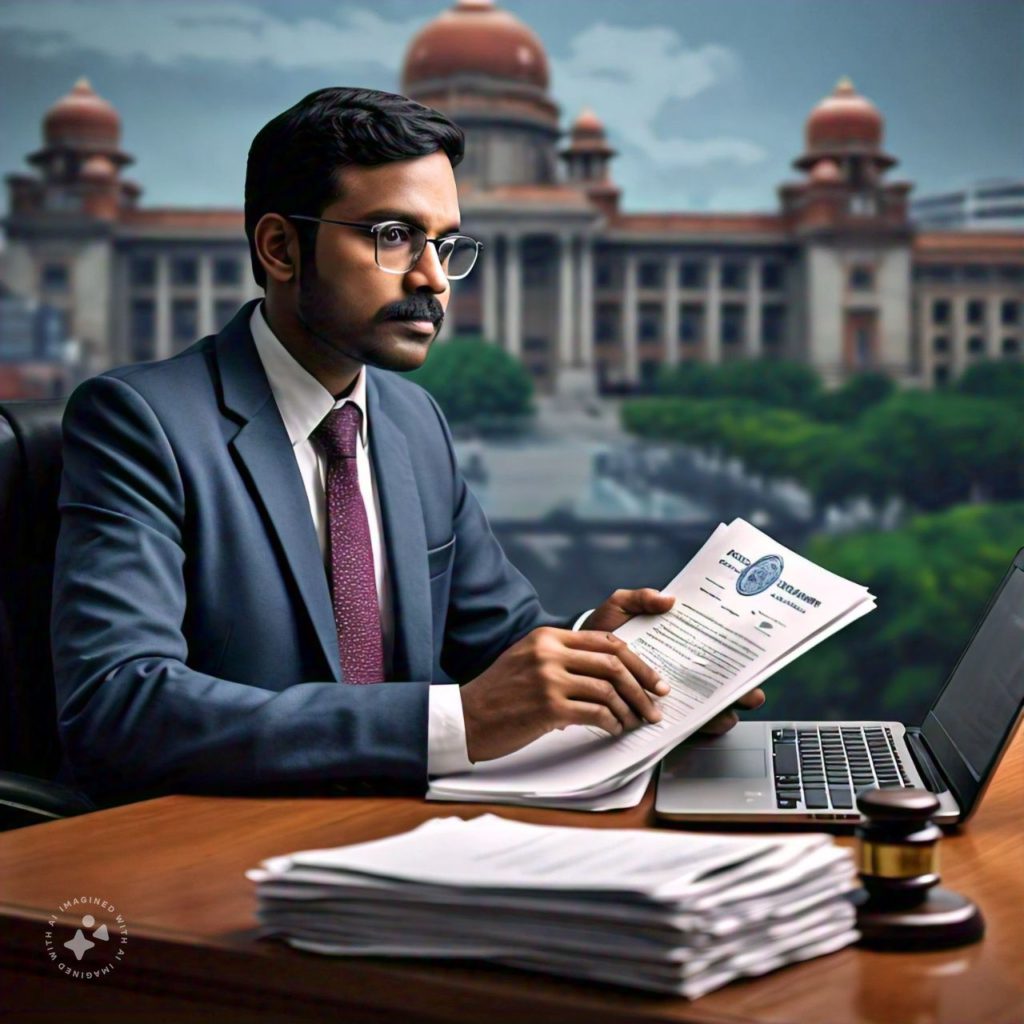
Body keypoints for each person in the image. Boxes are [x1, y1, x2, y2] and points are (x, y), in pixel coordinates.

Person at [51, 87, 764, 806]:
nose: (432, 280)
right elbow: (119, 708)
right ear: (280, 247)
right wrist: (456, 722)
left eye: (445, 245)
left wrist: (612, 661)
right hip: (219, 862)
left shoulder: (411, 422)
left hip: (411, 845)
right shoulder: (142, 423)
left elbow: (501, 639)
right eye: (392, 235)